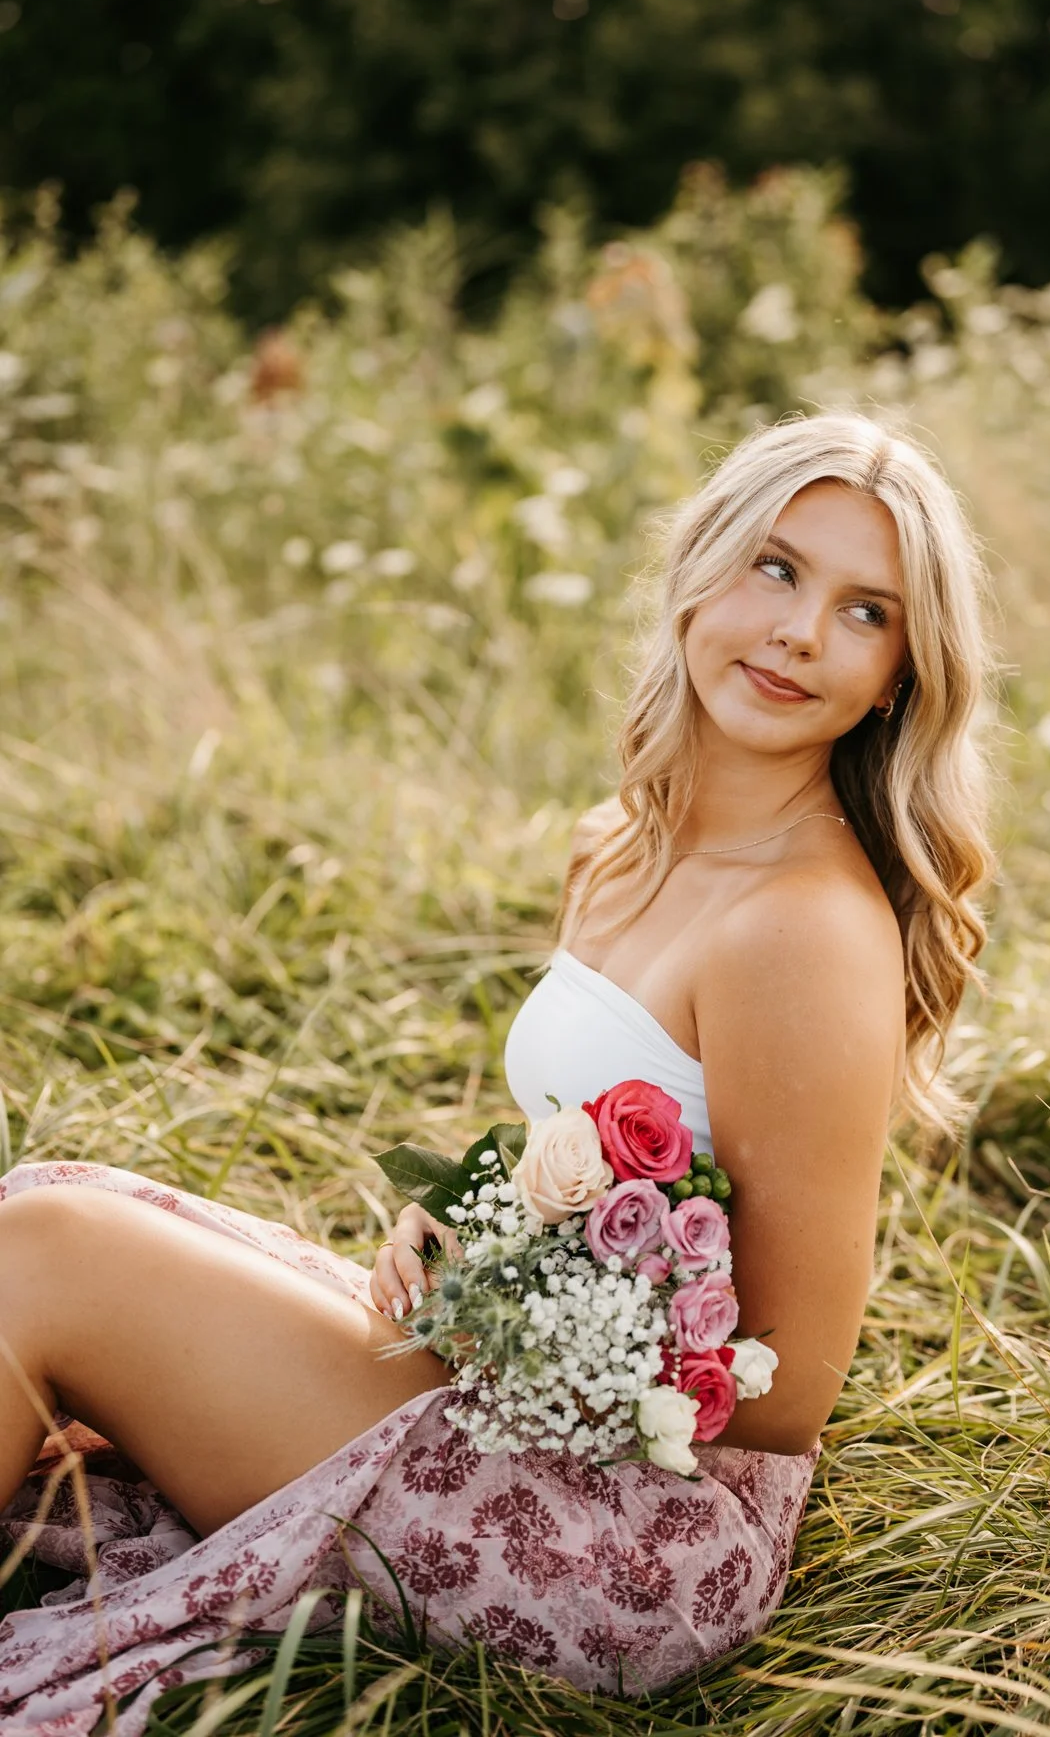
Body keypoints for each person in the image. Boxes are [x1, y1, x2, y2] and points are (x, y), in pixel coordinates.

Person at [0, 412, 994, 1734]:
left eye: (863, 611)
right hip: (514, 1380)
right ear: (698, 571)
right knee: (48, 1201)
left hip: (637, 1529)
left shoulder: (803, 933)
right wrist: (468, 1230)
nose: (800, 631)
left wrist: (517, 1302)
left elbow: (791, 1387)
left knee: (55, 1254)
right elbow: (585, 1144)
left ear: (898, 680)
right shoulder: (622, 845)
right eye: (775, 569)